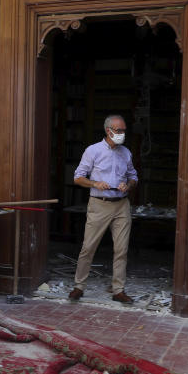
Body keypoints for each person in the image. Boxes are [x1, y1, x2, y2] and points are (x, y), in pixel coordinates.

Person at [70, 115, 138, 304]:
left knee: (121, 249)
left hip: (122, 204)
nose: (122, 134)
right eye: (119, 130)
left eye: (124, 130)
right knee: (88, 247)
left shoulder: (126, 152)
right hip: (99, 204)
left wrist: (129, 185)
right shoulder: (93, 151)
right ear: (108, 130)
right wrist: (95, 183)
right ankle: (78, 286)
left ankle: (118, 290)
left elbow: (134, 176)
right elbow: (78, 177)